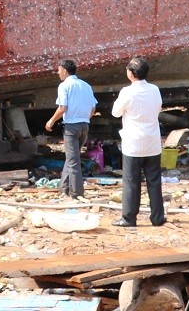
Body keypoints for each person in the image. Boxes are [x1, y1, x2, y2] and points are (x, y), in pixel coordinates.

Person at [111, 56, 166, 227]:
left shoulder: (127, 92)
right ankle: (157, 218)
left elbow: (115, 113)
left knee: (131, 182)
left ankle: (129, 218)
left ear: (132, 73)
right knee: (154, 181)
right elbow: (158, 108)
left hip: (133, 144)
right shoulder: (154, 89)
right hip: (152, 142)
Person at [44, 59, 98, 199]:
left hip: (71, 127)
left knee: (73, 161)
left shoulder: (64, 86)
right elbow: (93, 108)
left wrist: (51, 121)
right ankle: (64, 188)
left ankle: (76, 193)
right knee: (71, 158)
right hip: (84, 126)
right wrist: (85, 118)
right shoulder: (86, 85)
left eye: (59, 70)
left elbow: (63, 108)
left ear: (65, 71)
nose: (57, 73)